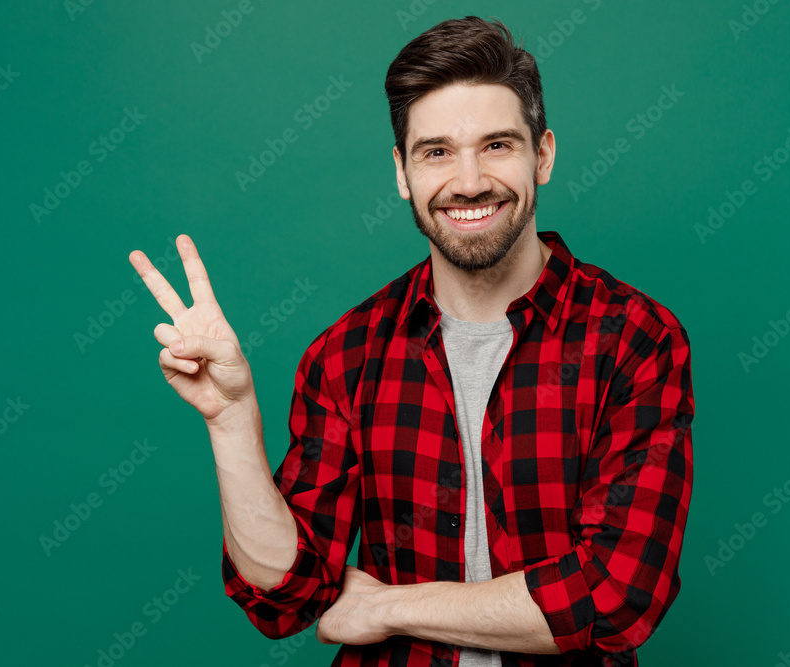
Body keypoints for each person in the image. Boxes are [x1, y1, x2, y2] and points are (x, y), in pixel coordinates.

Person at [128, 15, 694, 667]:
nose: (470, 179)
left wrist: (387, 606)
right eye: (437, 151)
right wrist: (231, 419)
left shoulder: (633, 338)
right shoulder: (346, 353)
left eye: (498, 145)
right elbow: (284, 597)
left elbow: (613, 596)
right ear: (402, 172)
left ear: (542, 155)